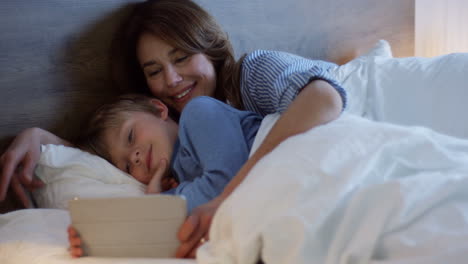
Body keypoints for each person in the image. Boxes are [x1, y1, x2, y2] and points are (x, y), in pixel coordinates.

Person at [0, 0, 346, 258]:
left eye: (181, 57)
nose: (172, 80)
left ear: (207, 46)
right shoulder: (173, 155)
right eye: (154, 71)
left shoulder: (245, 77)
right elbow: (116, 150)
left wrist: (139, 222)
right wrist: (43, 139)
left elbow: (326, 99)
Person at [67, 93, 261, 257]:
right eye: (127, 167)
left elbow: (224, 185)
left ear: (159, 109)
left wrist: (158, 204)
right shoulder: (180, 180)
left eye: (130, 136)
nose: (135, 158)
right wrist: (99, 240)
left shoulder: (198, 112)